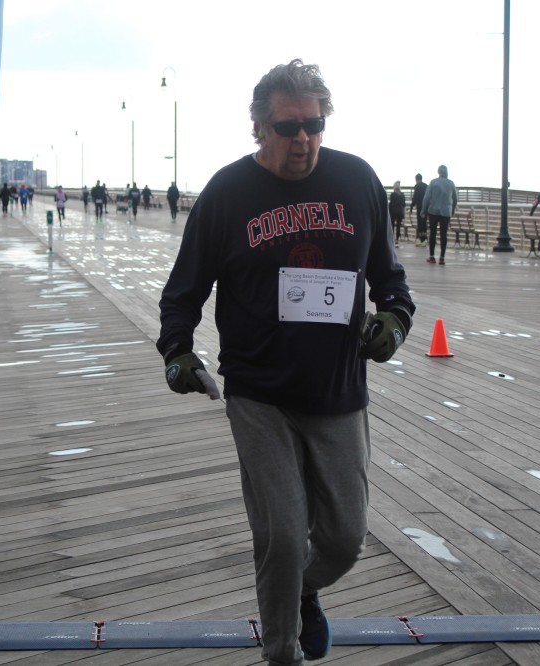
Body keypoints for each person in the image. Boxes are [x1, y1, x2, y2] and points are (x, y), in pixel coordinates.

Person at [157, 59, 414, 665]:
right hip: (258, 392)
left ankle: (303, 591)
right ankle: (281, 652)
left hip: (337, 391)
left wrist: (395, 322)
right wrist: (176, 351)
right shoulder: (227, 193)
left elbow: (392, 283)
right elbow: (183, 290)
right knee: (280, 534)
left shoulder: (357, 181)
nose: (303, 139)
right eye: (288, 127)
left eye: (314, 125)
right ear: (259, 127)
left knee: (345, 539)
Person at [420, 165, 457, 264]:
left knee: (433, 233)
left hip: (433, 211)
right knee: (443, 234)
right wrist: (452, 210)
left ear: (438, 172)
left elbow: (427, 197)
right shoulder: (451, 183)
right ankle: (442, 258)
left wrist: (423, 210)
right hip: (446, 212)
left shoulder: (433, 182)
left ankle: (432, 257)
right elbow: (455, 198)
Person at [410, 173, 427, 246]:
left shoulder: (417, 186)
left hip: (419, 207)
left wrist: (411, 206)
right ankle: (425, 239)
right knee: (424, 223)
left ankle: (420, 239)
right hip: (426, 208)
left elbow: (415, 198)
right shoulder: (426, 186)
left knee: (420, 224)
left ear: (416, 179)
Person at [388, 181, 405, 246]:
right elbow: (404, 204)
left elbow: (391, 204)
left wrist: (388, 211)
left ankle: (392, 239)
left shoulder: (393, 194)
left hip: (393, 212)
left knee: (392, 226)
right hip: (400, 212)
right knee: (398, 226)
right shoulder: (402, 195)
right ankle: (397, 240)